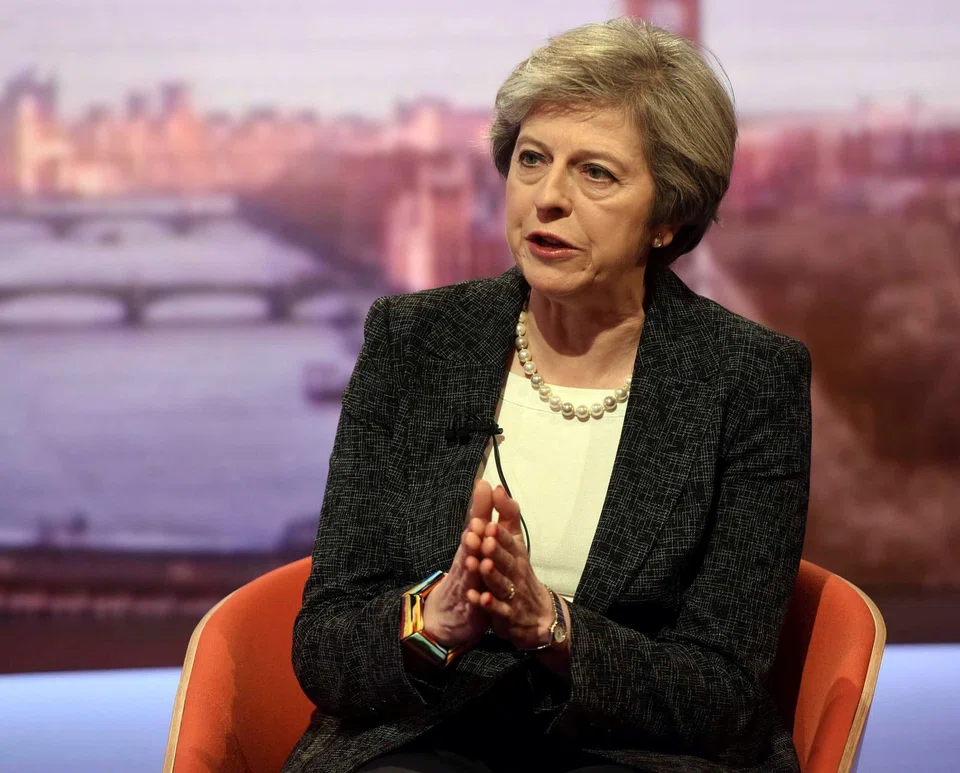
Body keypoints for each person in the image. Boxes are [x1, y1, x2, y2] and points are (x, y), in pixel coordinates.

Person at [283, 17, 811, 773]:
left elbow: (719, 693)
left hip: (632, 750)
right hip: (425, 736)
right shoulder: (416, 342)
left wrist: (548, 625)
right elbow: (325, 645)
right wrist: (436, 620)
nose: (548, 198)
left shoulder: (749, 380)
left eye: (596, 173)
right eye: (532, 160)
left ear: (668, 217)